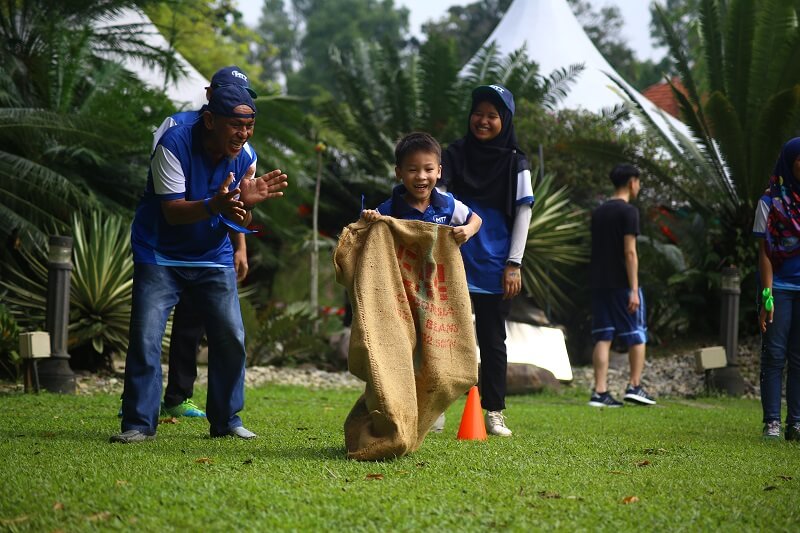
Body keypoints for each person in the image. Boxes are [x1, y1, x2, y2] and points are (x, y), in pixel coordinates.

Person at [110, 85, 288, 443]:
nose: (244, 133)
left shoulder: (244, 155)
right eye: (236, 124)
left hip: (212, 255)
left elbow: (236, 213)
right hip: (160, 253)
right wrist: (215, 205)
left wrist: (246, 204)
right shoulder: (173, 145)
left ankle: (226, 420)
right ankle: (139, 424)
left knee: (231, 335)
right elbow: (172, 213)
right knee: (146, 336)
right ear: (210, 120)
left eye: (250, 124)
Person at [155, 66, 258, 419]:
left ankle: (180, 396)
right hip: (165, 246)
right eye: (228, 93)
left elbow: (237, 203)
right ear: (209, 95)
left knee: (195, 322)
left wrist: (240, 246)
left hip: (209, 249)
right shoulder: (176, 130)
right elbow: (165, 197)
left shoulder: (242, 147)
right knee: (149, 333)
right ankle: (139, 402)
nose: (243, 125)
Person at [362, 132, 482, 433]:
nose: (421, 176)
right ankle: (399, 409)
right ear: (399, 172)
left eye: (429, 169)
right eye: (413, 169)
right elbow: (368, 234)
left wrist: (466, 231)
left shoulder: (448, 205)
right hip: (401, 297)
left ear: (439, 171)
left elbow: (475, 219)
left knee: (437, 353)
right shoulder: (389, 210)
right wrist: (369, 220)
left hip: (439, 297)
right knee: (403, 353)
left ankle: (432, 413)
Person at [441, 84, 534, 437]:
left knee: (493, 340)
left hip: (497, 267)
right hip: (455, 261)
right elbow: (441, 198)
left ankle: (493, 411)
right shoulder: (453, 153)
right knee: (446, 336)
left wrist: (515, 263)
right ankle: (438, 408)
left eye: (492, 116)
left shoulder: (516, 161)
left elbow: (524, 212)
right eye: (478, 113)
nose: (483, 121)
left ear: (505, 120)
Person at [588, 163, 655, 408]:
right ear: (631, 182)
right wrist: (634, 288)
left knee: (603, 336)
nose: (638, 186)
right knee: (636, 335)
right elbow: (629, 252)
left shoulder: (599, 212)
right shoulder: (629, 212)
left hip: (598, 283)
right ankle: (635, 386)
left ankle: (599, 392)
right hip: (622, 284)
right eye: (638, 181)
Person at [753, 137, 800, 441]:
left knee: (799, 357)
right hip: (779, 289)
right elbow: (764, 253)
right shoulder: (769, 202)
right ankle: (772, 421)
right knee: (774, 354)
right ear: (789, 161)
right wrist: (767, 297)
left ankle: (795, 422)